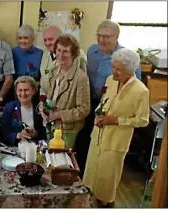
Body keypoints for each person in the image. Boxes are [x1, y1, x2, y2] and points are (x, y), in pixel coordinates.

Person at [83, 48, 149, 208]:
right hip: (98, 134)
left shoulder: (141, 91)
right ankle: (87, 201)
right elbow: (104, 102)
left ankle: (106, 204)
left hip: (117, 140)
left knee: (108, 177)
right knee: (91, 172)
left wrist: (117, 120)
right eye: (113, 67)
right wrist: (99, 116)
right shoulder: (110, 80)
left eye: (119, 69)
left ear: (130, 70)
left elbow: (142, 120)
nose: (114, 72)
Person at [76, 19, 143, 178]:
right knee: (86, 141)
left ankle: (101, 183)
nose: (101, 40)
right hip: (91, 103)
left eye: (106, 36)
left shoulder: (126, 58)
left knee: (105, 149)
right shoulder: (92, 51)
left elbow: (133, 86)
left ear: (117, 37)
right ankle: (83, 177)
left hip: (112, 109)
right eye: (99, 36)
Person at [39, 34, 90, 148]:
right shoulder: (54, 70)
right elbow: (48, 95)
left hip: (67, 130)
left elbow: (84, 110)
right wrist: (43, 108)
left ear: (73, 54)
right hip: (51, 125)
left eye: (65, 51)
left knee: (62, 163)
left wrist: (59, 115)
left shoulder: (80, 78)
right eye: (59, 50)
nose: (60, 55)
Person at [40, 25, 87, 95]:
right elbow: (43, 79)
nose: (47, 43)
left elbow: (82, 81)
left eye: (50, 39)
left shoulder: (78, 55)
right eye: (45, 40)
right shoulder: (46, 53)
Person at [1, 76, 46, 146]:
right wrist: (18, 135)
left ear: (33, 91)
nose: (23, 94)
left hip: (35, 147)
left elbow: (44, 132)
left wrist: (36, 134)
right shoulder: (9, 107)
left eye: (26, 90)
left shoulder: (39, 108)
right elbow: (3, 133)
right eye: (20, 90)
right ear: (16, 91)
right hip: (15, 148)